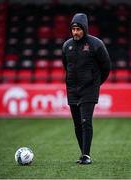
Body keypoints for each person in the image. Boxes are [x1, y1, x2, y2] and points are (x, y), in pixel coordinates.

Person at [62, 13, 111, 165]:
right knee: (77, 124)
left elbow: (106, 67)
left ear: (85, 28)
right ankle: (83, 154)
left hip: (89, 89)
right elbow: (66, 66)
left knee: (85, 121)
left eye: (78, 29)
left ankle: (86, 156)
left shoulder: (96, 44)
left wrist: (95, 83)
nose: (75, 32)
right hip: (72, 90)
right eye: (73, 29)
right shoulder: (66, 45)